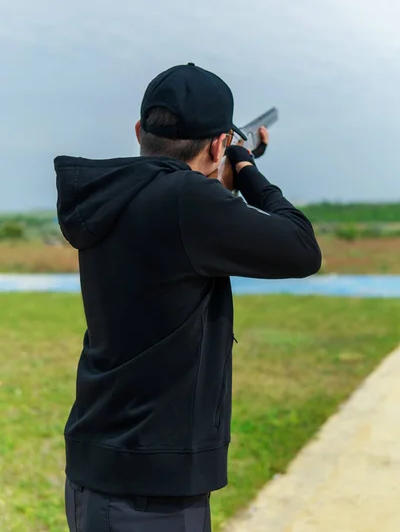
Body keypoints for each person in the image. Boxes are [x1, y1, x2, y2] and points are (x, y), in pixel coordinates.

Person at [54, 63, 322, 532]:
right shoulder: (186, 202)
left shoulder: (109, 196)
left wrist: (220, 173)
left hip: (103, 472)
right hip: (150, 496)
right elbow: (302, 248)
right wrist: (248, 169)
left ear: (141, 131)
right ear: (220, 144)